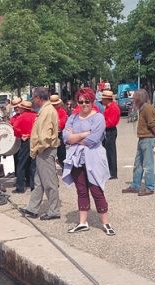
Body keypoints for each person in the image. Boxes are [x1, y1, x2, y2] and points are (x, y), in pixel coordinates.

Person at [62, 87, 115, 235]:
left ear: (92, 101)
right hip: (77, 159)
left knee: (96, 189)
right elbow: (66, 138)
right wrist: (85, 133)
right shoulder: (72, 117)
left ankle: (106, 222)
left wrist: (75, 138)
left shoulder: (98, 117)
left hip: (94, 158)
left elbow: (94, 139)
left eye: (87, 101)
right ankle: (82, 222)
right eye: (81, 101)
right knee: (81, 191)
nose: (84, 104)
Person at [19, 87, 60, 220]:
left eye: (34, 98)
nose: (33, 101)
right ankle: (32, 208)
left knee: (49, 182)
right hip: (43, 150)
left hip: (45, 150)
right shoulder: (46, 110)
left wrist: (39, 148)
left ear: (38, 98)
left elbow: (45, 135)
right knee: (39, 182)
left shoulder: (47, 111)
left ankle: (54, 210)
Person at [122, 89, 155, 196]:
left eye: (135, 97)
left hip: (147, 138)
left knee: (148, 164)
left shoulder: (148, 108)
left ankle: (149, 187)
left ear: (140, 98)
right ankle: (135, 185)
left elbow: (152, 124)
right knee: (138, 164)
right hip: (142, 138)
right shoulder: (143, 107)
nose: (133, 99)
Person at [12, 100, 37, 193]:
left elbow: (15, 128)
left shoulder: (21, 117)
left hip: (25, 140)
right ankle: (33, 186)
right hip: (35, 140)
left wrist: (21, 134)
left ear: (23, 108)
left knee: (21, 164)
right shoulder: (36, 116)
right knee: (33, 164)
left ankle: (20, 187)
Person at [101, 90, 120, 179]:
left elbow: (111, 122)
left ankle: (113, 173)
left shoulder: (113, 107)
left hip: (110, 131)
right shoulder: (109, 107)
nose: (102, 101)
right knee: (107, 151)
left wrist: (102, 123)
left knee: (110, 152)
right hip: (108, 130)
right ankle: (109, 171)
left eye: (103, 99)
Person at [50, 94, 68, 168]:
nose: (54, 106)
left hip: (59, 134)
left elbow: (62, 123)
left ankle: (64, 168)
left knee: (61, 154)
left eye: (55, 105)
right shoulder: (49, 111)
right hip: (51, 134)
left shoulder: (62, 112)